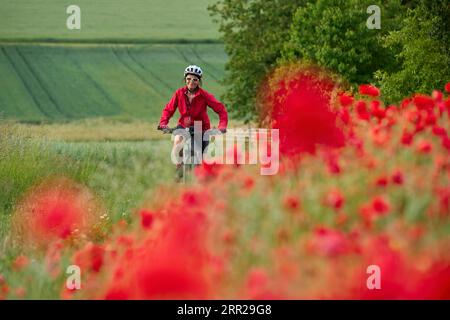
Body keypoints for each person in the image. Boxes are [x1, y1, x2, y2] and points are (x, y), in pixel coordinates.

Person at [157, 65, 228, 179]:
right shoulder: (179, 93)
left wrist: (222, 126)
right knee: (178, 141)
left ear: (199, 81)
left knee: (200, 158)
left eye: (195, 79)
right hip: (183, 125)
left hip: (201, 127)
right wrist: (163, 123)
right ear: (185, 79)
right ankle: (179, 171)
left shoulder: (204, 95)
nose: (191, 82)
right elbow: (168, 109)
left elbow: (221, 110)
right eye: (188, 79)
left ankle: (201, 179)